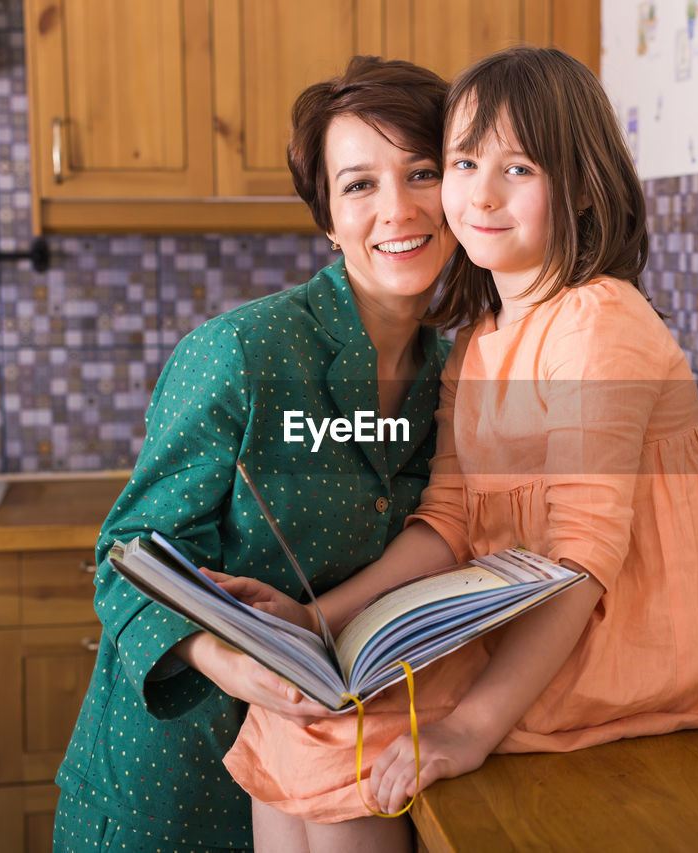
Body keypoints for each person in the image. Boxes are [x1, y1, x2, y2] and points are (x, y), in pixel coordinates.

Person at [221, 46, 698, 851]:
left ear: (582, 186)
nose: (479, 195)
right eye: (462, 162)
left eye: (518, 168)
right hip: (537, 618)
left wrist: (473, 729)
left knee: (355, 731)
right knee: (299, 711)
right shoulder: (481, 342)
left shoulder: (600, 322)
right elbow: (448, 518)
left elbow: (585, 553)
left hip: (639, 634)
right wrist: (319, 618)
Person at [50, 55, 458, 852]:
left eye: (422, 172)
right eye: (359, 185)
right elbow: (123, 558)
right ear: (328, 219)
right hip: (172, 782)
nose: (398, 209)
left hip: (335, 778)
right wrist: (229, 663)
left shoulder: (452, 376)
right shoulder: (242, 353)